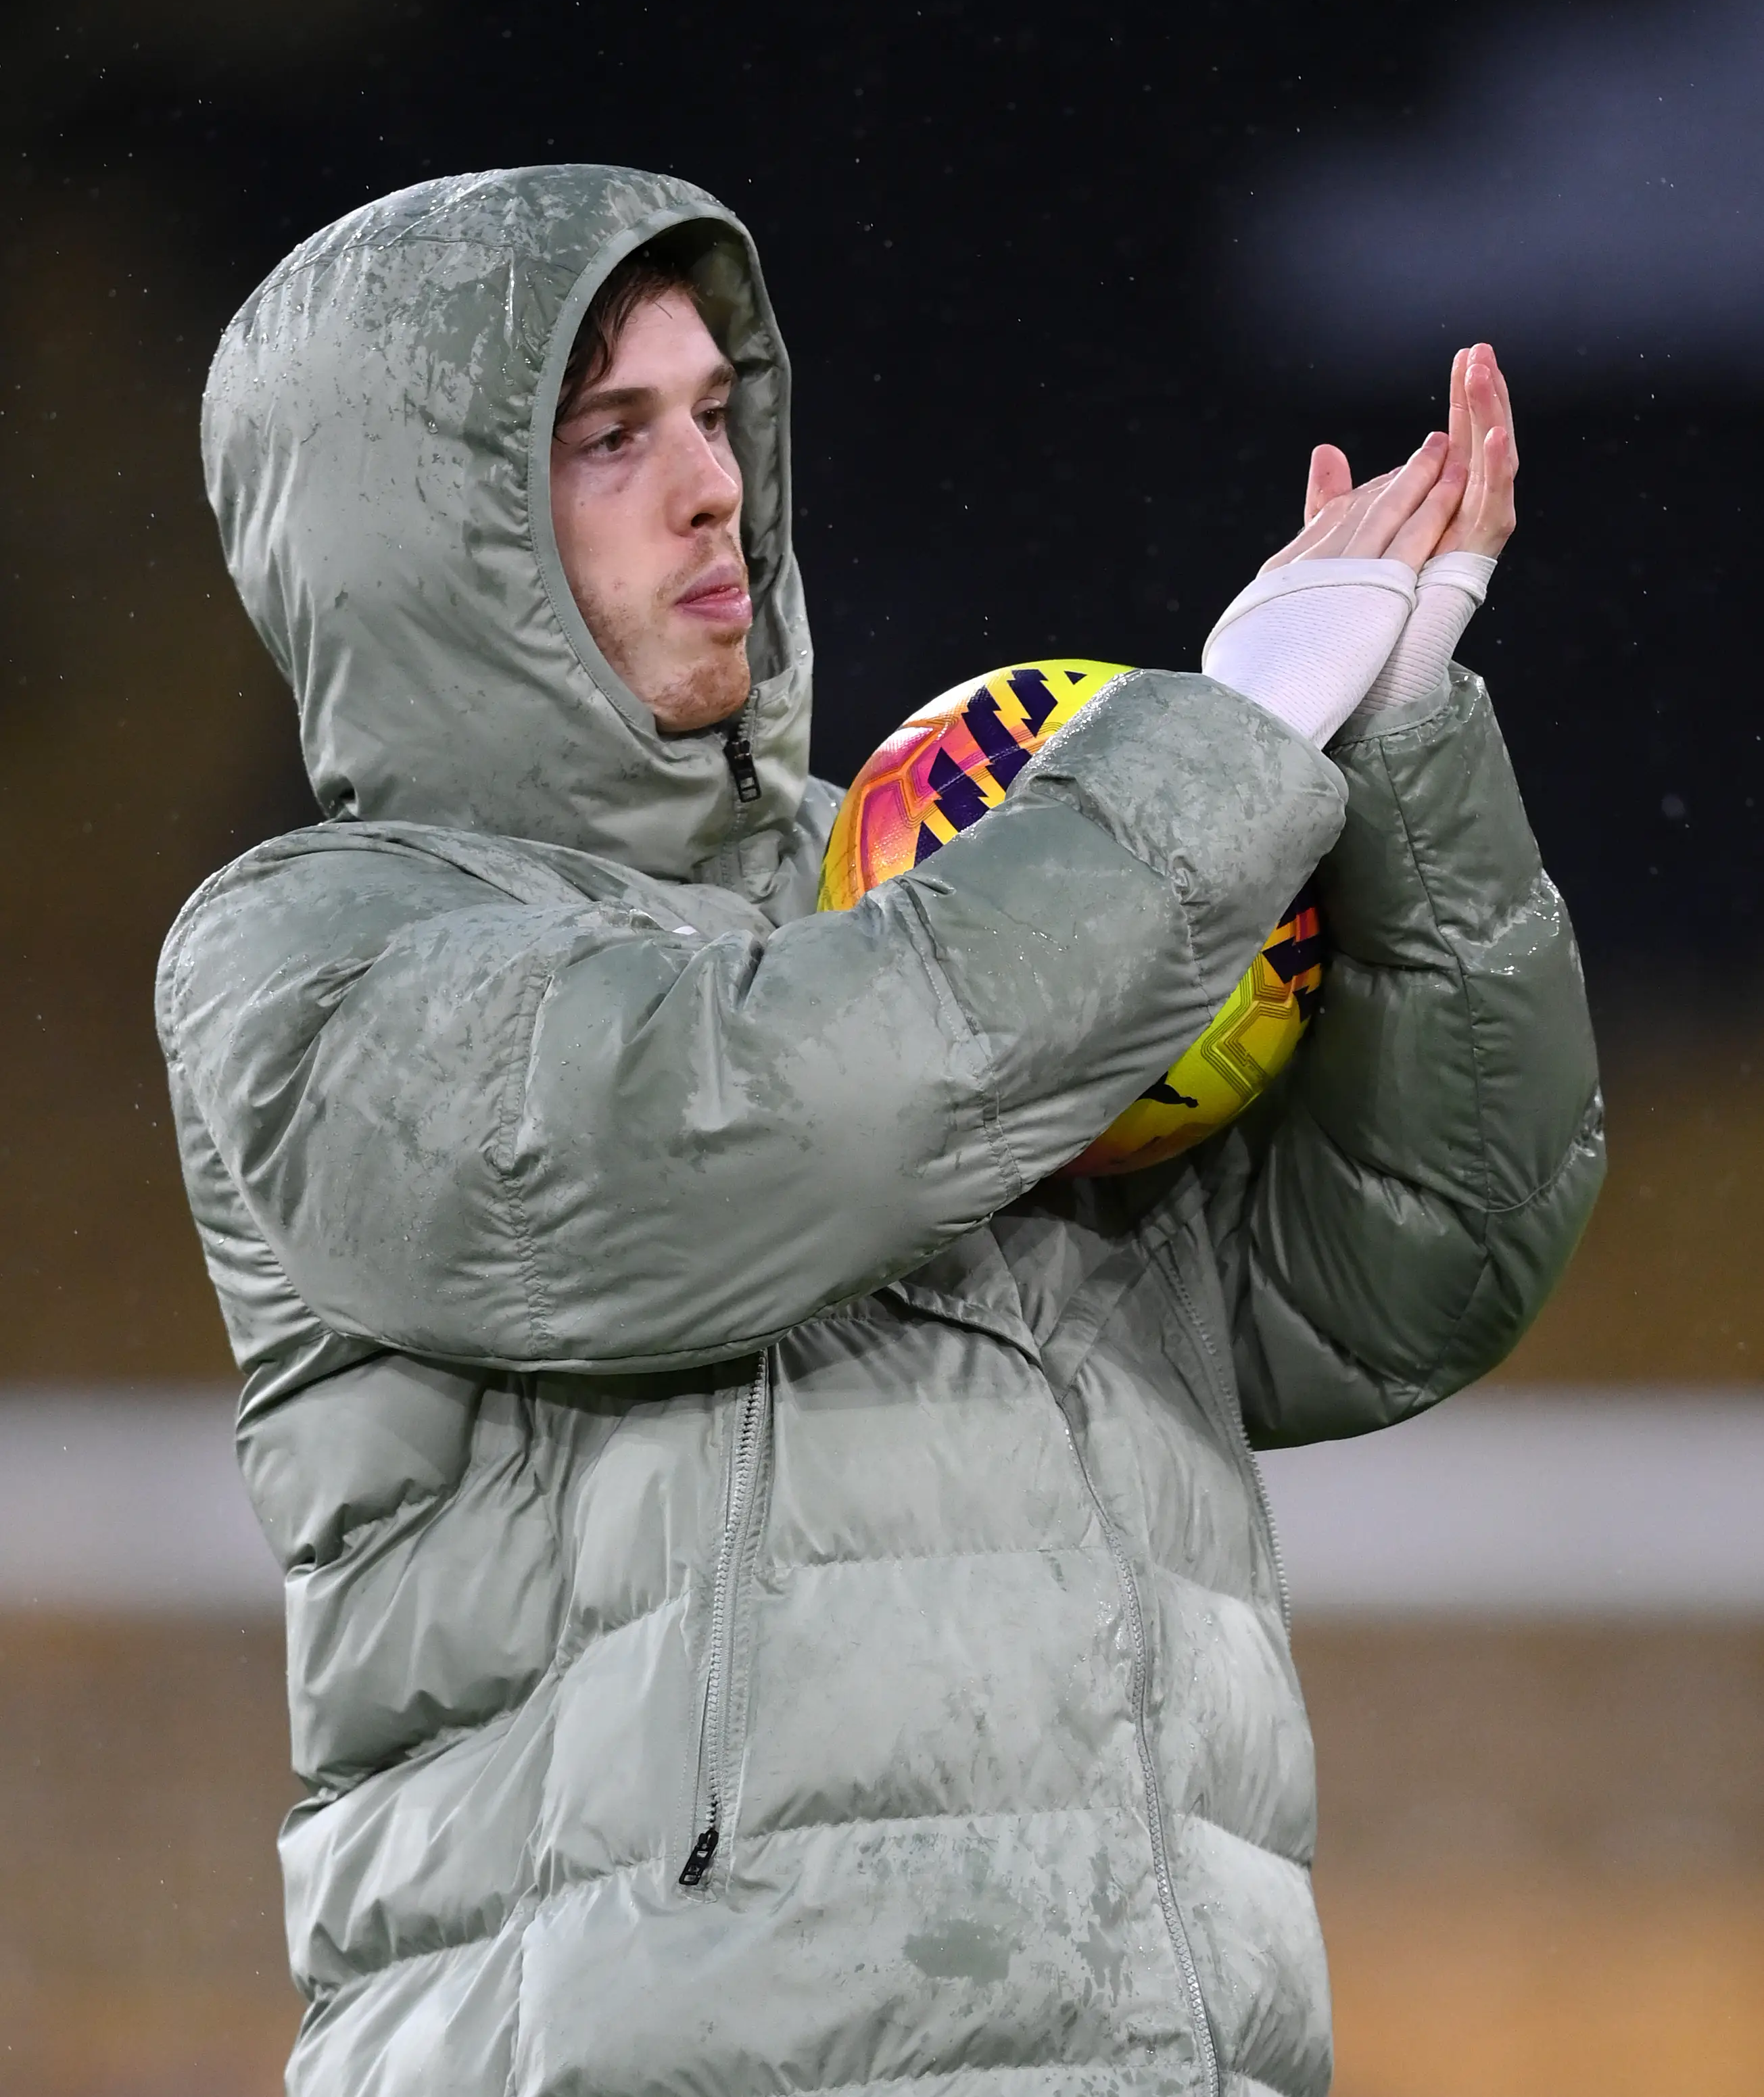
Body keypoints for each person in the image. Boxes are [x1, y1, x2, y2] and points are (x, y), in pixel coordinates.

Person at [158, 165, 1602, 2097]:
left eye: (714, 413)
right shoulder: (316, 954)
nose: (711, 485)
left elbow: (1415, 1260)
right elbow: (751, 1127)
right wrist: (1221, 749)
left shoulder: (932, 897)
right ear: (419, 537)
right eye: (609, 438)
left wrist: (1390, 754)